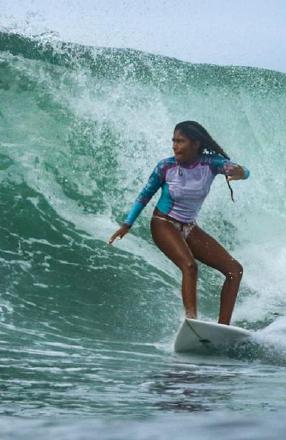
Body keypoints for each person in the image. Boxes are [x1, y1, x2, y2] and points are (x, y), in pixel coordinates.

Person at [107, 121, 250, 325]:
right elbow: (145, 195)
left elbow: (242, 171)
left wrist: (241, 172)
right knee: (189, 266)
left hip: (189, 227)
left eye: (180, 141)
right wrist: (127, 224)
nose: (175, 146)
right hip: (163, 223)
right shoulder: (166, 166)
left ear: (196, 144)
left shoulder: (211, 163)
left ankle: (223, 328)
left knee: (235, 270)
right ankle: (191, 322)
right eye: (173, 141)